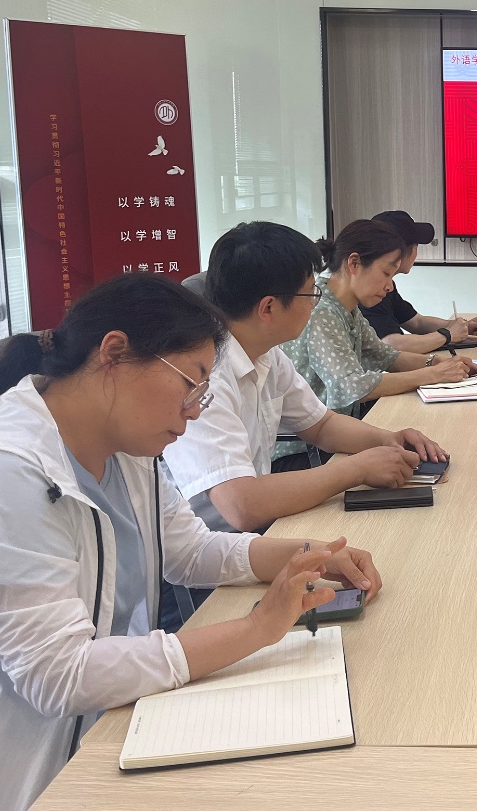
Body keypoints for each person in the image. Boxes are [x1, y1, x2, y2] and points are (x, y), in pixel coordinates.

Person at [0, 274, 382, 811]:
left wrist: (308, 555)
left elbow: (190, 550)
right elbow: (59, 675)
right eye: (191, 384)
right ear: (114, 353)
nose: (195, 410)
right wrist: (256, 628)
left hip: (82, 738)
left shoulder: (124, 449)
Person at [160, 221, 443, 628]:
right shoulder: (207, 374)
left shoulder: (266, 353)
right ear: (268, 308)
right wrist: (355, 469)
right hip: (203, 570)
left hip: (254, 540)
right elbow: (241, 506)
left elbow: (321, 425)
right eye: (311, 293)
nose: (316, 303)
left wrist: (389, 440)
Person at [282, 219, 477, 421]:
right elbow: (353, 387)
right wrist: (434, 374)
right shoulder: (322, 311)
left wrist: (440, 363)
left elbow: (385, 356)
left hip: (337, 427)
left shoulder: (346, 307)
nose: (390, 286)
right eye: (386, 273)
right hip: (311, 438)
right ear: (354, 263)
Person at [361, 210, 477, 352]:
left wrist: (460, 327)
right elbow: (392, 344)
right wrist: (448, 335)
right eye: (416, 245)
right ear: (398, 252)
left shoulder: (387, 285)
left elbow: (416, 322)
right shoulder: (371, 289)